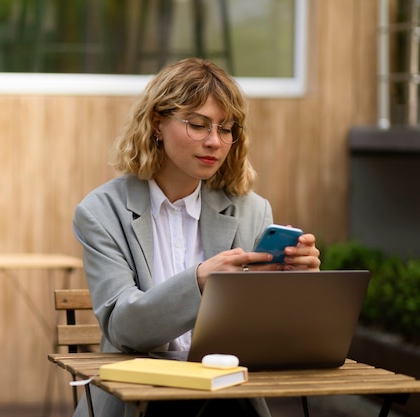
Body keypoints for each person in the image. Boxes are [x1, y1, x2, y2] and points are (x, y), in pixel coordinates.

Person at [72, 58, 321, 417]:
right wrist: (200, 281)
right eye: (199, 125)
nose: (214, 142)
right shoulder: (101, 211)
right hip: (140, 400)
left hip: (227, 398)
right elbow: (124, 326)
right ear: (157, 123)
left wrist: (298, 286)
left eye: (226, 129)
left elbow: (269, 336)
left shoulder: (251, 211)